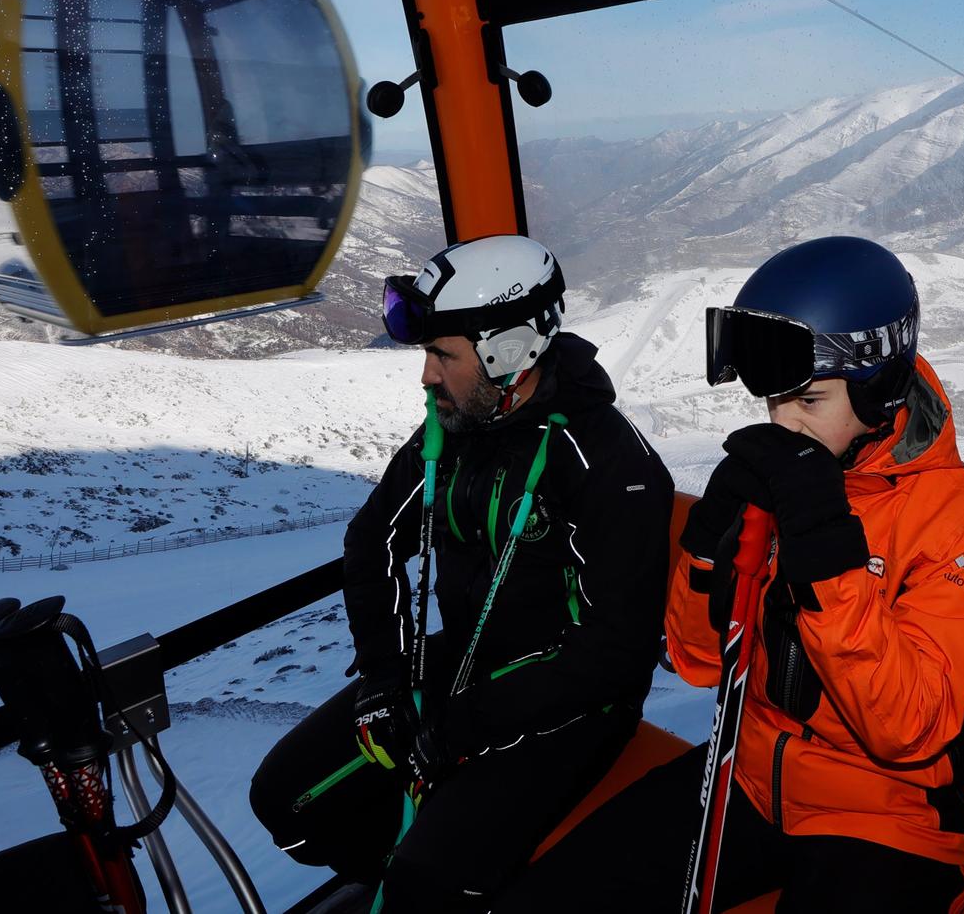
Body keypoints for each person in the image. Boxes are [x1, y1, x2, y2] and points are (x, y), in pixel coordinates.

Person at [500, 236, 964, 914]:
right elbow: (697, 660)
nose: (783, 422)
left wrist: (826, 550)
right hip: (749, 772)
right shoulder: (777, 482)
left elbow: (908, 727)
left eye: (808, 400)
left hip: (888, 818)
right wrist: (710, 548)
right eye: (774, 400)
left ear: (880, 387)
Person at [249, 235, 674, 911]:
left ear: (509, 350)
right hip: (463, 672)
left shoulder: (606, 463)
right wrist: (385, 683)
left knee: (427, 883)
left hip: (573, 704)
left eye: (442, 354)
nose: (425, 375)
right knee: (287, 800)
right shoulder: (455, 429)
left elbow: (613, 656)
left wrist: (459, 726)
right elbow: (373, 543)